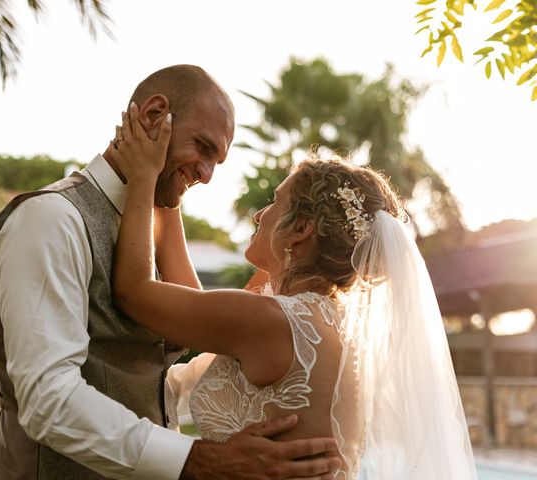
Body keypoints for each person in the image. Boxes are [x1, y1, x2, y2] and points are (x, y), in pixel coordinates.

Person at [0, 64, 341, 480]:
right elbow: (47, 398)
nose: (207, 176)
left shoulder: (146, 230)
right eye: (204, 148)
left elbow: (143, 374)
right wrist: (200, 459)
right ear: (155, 115)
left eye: (217, 162)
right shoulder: (51, 219)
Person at [108, 104, 478, 479]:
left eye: (275, 201)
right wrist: (170, 191)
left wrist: (143, 175)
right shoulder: (324, 322)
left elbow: (135, 291)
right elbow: (189, 306)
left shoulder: (273, 321)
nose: (259, 214)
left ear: (300, 229)